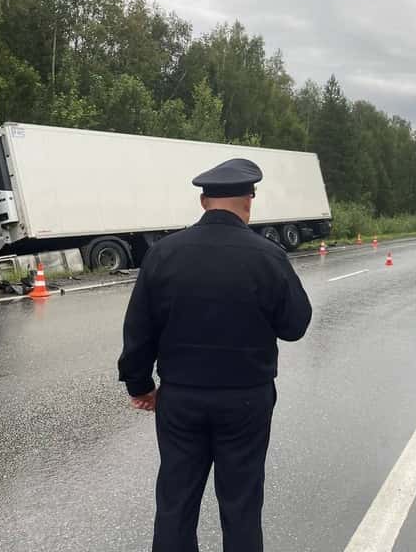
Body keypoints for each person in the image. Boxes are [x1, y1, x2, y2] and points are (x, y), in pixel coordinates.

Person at [118, 158, 312, 552]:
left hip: (181, 399)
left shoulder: (164, 254)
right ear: (248, 201)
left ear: (204, 201)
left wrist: (140, 385)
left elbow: (139, 329)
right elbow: (295, 326)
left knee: (175, 502)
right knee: (241, 505)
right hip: (246, 399)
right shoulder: (267, 256)